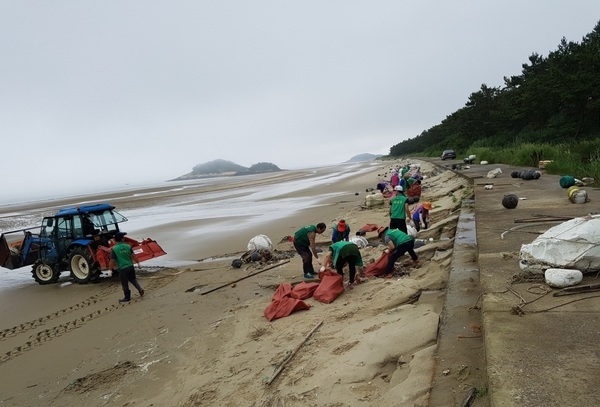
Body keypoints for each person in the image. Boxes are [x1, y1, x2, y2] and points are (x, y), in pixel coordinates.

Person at [110, 232, 144, 302]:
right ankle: (140, 289)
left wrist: (110, 270)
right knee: (133, 279)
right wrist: (138, 263)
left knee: (124, 283)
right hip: (130, 266)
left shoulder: (114, 249)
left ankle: (127, 297)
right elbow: (133, 255)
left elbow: (112, 260)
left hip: (123, 268)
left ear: (115, 240)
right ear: (122, 239)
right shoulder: (128, 246)